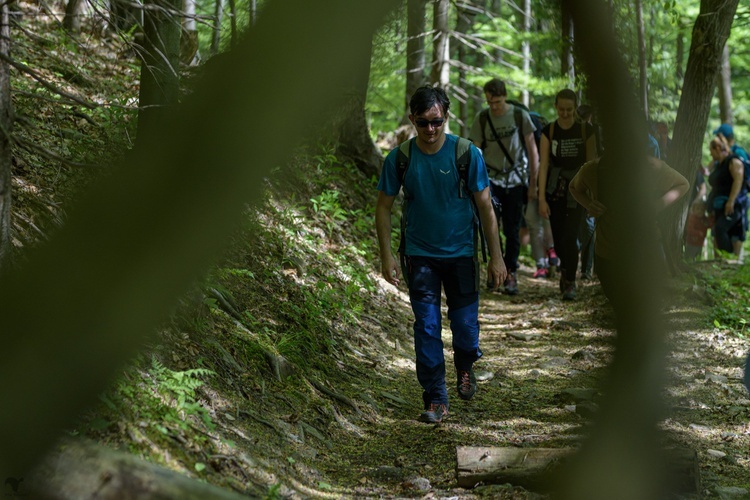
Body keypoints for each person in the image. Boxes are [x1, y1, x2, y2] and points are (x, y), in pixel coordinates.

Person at [376, 85, 506, 424]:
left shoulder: (466, 154)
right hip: (419, 256)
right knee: (428, 326)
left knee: (464, 327)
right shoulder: (400, 159)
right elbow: (384, 208)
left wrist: (497, 257)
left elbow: (485, 207)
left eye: (436, 122)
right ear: (411, 120)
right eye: (423, 123)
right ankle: (435, 397)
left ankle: (465, 364)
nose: (430, 130)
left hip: (462, 254)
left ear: (445, 117)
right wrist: (386, 256)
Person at [568, 150, 689, 309]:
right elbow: (574, 187)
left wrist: (657, 206)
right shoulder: (593, 169)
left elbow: (683, 184)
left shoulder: (650, 166)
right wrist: (589, 204)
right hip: (607, 252)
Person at [469, 79, 539, 295]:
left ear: (505, 97)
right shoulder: (482, 118)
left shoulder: (519, 116)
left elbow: (532, 150)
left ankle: (511, 273)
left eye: (497, 102)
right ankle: (495, 267)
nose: (494, 107)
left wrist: (533, 185)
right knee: (491, 226)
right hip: (491, 181)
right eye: (490, 102)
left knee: (513, 229)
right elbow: (475, 151)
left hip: (517, 181)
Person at [538, 89, 597, 300]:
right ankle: (565, 269)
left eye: (569, 110)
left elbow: (592, 166)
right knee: (560, 239)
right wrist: (541, 198)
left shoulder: (586, 131)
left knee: (571, 236)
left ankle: (570, 281)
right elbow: (543, 165)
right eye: (561, 109)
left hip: (578, 192)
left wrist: (593, 198)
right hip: (555, 190)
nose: (565, 114)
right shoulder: (549, 131)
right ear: (556, 107)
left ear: (575, 108)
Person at [706, 134, 747, 259]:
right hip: (718, 207)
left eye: (711, 151)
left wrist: (731, 201)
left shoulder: (733, 161)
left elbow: (738, 180)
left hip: (732, 206)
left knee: (721, 229)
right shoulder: (719, 164)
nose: (710, 154)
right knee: (719, 234)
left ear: (717, 149)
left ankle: (729, 259)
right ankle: (724, 262)